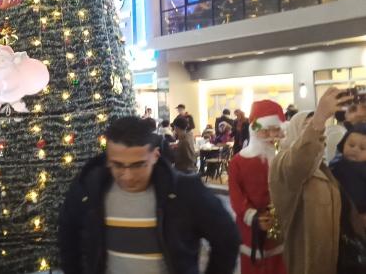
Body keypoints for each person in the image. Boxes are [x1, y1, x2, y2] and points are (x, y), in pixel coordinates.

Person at [58, 116, 239, 274]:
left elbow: (227, 237)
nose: (127, 176)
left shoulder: (184, 191)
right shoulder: (89, 188)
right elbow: (68, 237)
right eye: (117, 165)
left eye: (138, 165)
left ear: (155, 155)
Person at [269, 88, 353, 274]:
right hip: (303, 264)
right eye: (308, 129)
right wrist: (319, 118)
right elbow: (299, 160)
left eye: (320, 133)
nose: (318, 137)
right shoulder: (282, 164)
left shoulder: (322, 168)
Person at [228, 100, 287, 274]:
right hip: (250, 229)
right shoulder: (238, 162)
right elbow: (236, 196)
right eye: (264, 130)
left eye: (275, 129)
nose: (270, 135)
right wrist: (253, 217)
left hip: (282, 228)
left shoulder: (285, 158)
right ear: (254, 131)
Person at [330, 123, 366, 228]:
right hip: (337, 212)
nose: (355, 150)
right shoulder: (336, 163)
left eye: (363, 148)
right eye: (351, 145)